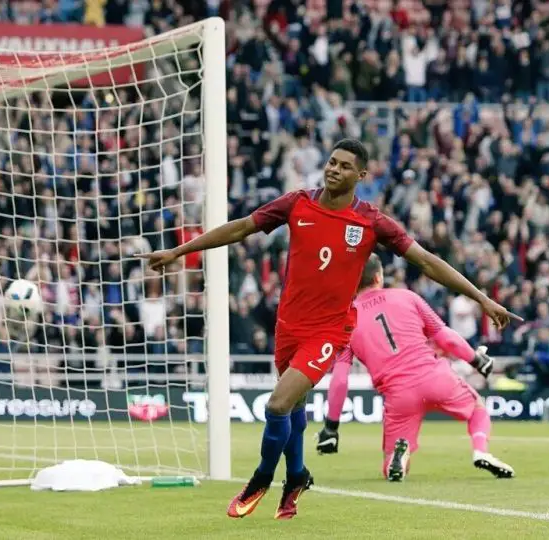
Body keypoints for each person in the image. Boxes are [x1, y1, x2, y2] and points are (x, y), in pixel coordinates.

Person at [140, 138, 520, 520]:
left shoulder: (370, 221)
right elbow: (241, 228)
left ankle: (261, 477)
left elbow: (427, 261)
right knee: (294, 409)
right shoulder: (297, 203)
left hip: (327, 332)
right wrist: (178, 252)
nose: (334, 169)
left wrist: (481, 298)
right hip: (288, 326)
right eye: (332, 162)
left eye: (344, 166)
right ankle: (297, 476)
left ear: (361, 175)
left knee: (277, 404)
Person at [315, 254, 514, 481]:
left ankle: (398, 455)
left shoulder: (345, 321)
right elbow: (445, 338)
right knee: (477, 408)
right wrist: (476, 360)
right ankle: (480, 451)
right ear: (378, 277)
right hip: (435, 377)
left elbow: (340, 378)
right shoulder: (407, 296)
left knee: (390, 465)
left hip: (399, 395)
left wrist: (331, 427)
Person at [521, 325, 549, 420]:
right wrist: (528, 356)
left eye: (543, 333)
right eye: (540, 333)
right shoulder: (536, 343)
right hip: (542, 376)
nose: (541, 335)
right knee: (527, 395)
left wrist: (539, 356)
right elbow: (529, 359)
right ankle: (526, 418)